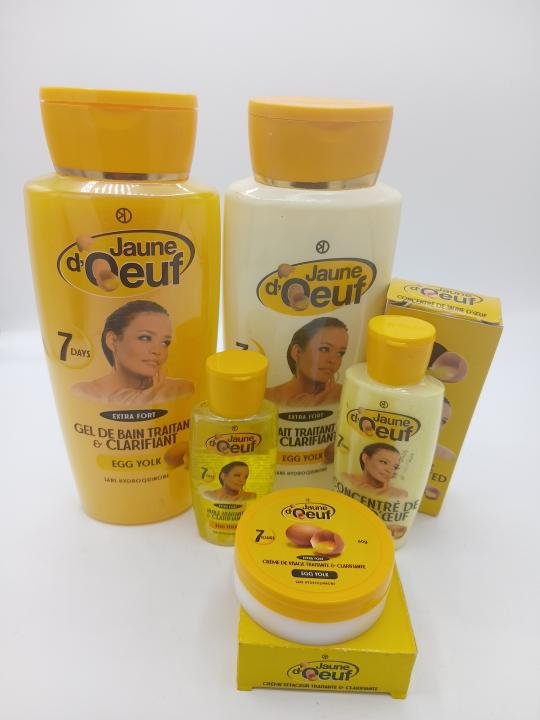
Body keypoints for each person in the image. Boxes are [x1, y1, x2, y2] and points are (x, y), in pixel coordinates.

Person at [72, 300, 193, 405]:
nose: (157, 351)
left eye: (165, 342)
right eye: (145, 338)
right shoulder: (84, 392)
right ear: (112, 341)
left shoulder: (182, 390)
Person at [265, 317, 348, 407]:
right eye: (324, 349)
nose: (333, 360)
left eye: (340, 353)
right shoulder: (266, 397)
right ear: (297, 352)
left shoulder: (345, 394)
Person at [343, 442, 407, 498]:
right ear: (365, 458)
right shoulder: (346, 479)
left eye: (395, 467)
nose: (390, 470)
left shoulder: (399, 494)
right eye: (384, 462)